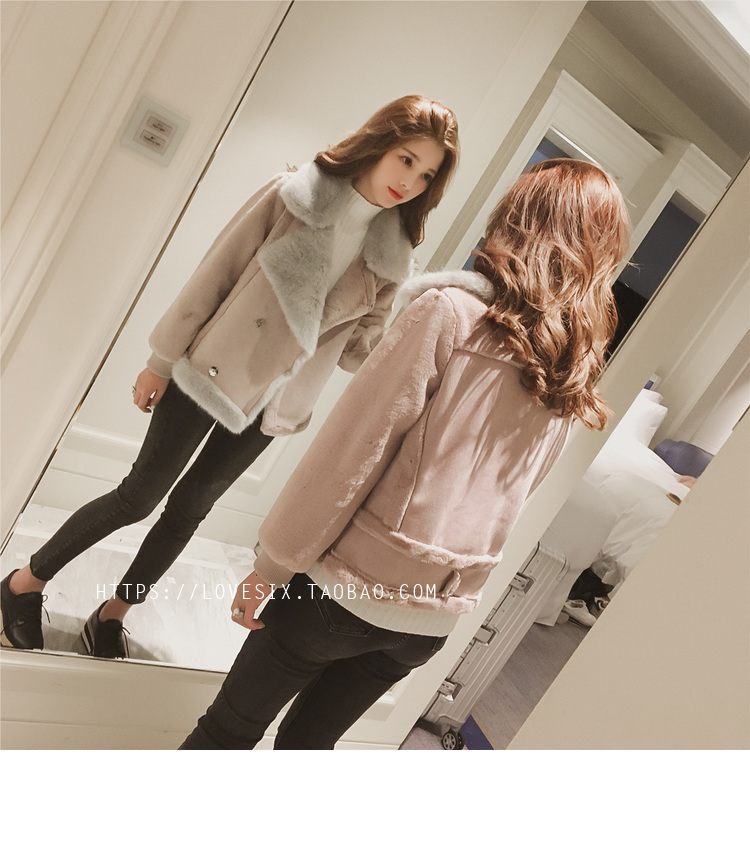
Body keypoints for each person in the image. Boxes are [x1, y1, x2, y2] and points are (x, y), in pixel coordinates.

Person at [179, 157, 631, 750]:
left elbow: (352, 453)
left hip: (344, 593)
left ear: (518, 220)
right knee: (307, 750)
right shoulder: (569, 371)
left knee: (225, 733)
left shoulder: (450, 313)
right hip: (430, 618)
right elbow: (518, 494)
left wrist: (273, 565)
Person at [0, 95, 460, 659]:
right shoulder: (294, 195)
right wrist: (161, 360)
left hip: (279, 402)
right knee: (138, 497)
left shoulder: (393, 256)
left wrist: (411, 314)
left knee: (189, 511)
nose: (410, 181)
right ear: (379, 143)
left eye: (427, 174)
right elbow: (215, 274)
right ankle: (22, 583)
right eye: (406, 159)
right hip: (211, 372)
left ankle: (114, 612)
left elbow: (355, 355)